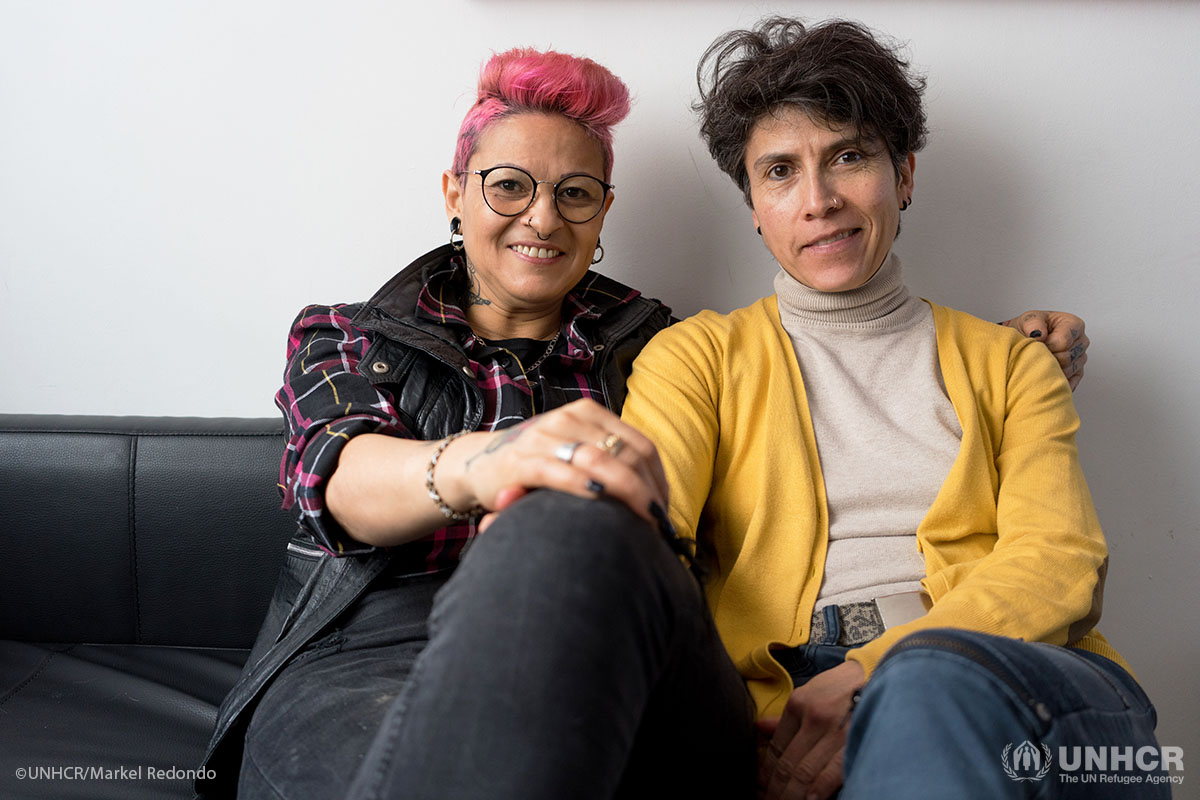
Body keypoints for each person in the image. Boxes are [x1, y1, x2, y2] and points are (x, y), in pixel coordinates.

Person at [198, 46, 1093, 799]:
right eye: (508, 185)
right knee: (567, 514)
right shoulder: (352, 333)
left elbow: (1052, 553)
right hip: (371, 646)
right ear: (455, 192)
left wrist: (1018, 357)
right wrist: (488, 463)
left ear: (602, 217)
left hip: (596, 643)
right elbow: (340, 478)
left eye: (576, 195)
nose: (541, 218)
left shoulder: (648, 341)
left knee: (576, 523)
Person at [618, 17, 1163, 800]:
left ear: (903, 174)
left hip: (1017, 676)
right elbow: (646, 534)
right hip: (785, 698)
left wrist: (879, 672)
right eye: (779, 172)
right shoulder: (696, 359)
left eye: (848, 156)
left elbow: (1062, 564)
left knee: (924, 699)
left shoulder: (1013, 365)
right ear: (753, 207)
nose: (819, 200)